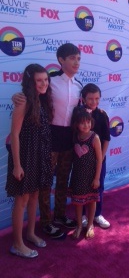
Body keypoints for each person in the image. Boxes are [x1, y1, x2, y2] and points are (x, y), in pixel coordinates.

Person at [12, 43, 82, 238]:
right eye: (72, 58)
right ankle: (46, 222)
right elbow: (32, 95)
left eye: (78, 58)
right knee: (44, 183)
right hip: (48, 138)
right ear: (61, 60)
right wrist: (17, 96)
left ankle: (59, 216)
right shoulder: (49, 81)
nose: (76, 62)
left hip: (69, 138)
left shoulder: (79, 86)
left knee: (62, 180)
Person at [6, 64, 53, 258]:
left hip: (39, 156)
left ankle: (31, 233)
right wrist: (17, 165)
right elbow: (14, 135)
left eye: (45, 79)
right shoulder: (23, 101)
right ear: (30, 82)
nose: (43, 83)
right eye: (39, 80)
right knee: (22, 199)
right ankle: (17, 244)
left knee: (34, 196)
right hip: (24, 157)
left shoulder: (42, 100)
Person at [81, 83, 111, 229]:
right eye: (90, 99)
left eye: (97, 98)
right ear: (83, 98)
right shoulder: (78, 114)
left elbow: (106, 139)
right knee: (81, 187)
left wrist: (101, 158)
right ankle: (82, 216)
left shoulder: (102, 114)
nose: (94, 102)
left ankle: (97, 214)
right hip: (81, 159)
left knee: (98, 186)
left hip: (100, 160)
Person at [69, 107, 102, 239]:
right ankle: (79, 225)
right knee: (78, 201)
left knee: (91, 200)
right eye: (82, 123)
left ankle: (89, 225)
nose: (86, 125)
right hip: (77, 176)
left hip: (91, 176)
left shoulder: (94, 137)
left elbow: (100, 158)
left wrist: (97, 178)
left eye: (88, 122)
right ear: (76, 124)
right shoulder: (75, 137)